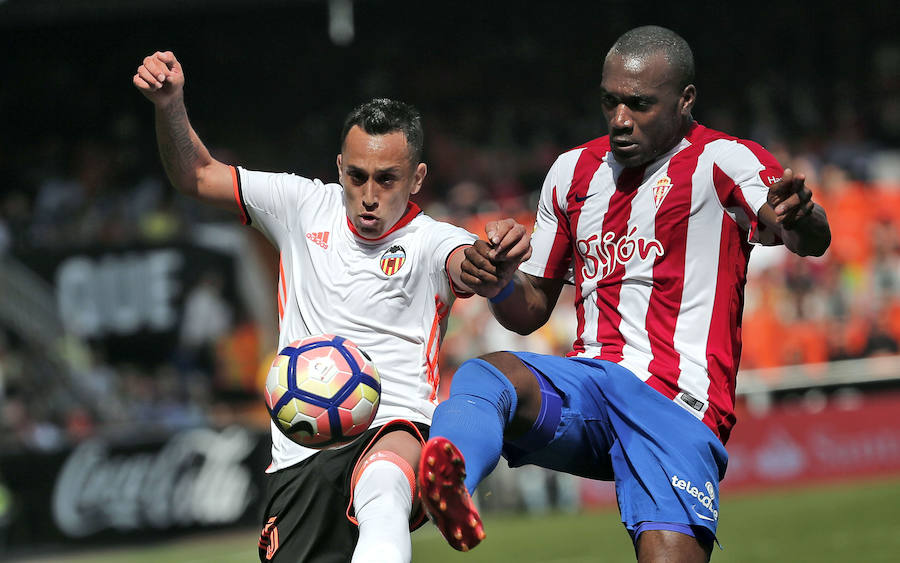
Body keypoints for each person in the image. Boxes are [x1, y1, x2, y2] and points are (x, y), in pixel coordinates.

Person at [417, 25, 831, 562]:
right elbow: (531, 310)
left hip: (677, 404)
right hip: (589, 385)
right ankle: (453, 486)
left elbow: (803, 235)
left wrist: (802, 216)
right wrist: (499, 285)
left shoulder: (725, 161)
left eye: (639, 104)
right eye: (610, 101)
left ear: (685, 101)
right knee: (484, 374)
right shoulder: (572, 173)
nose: (619, 119)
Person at [133, 51, 530, 563]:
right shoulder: (299, 204)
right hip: (298, 454)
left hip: (394, 423)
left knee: (385, 489)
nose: (368, 195)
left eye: (387, 179)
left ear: (416, 178)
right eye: (357, 176)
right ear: (339, 168)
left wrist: (488, 265)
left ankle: (434, 481)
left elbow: (465, 262)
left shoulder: (434, 242)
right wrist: (170, 105)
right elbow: (197, 176)